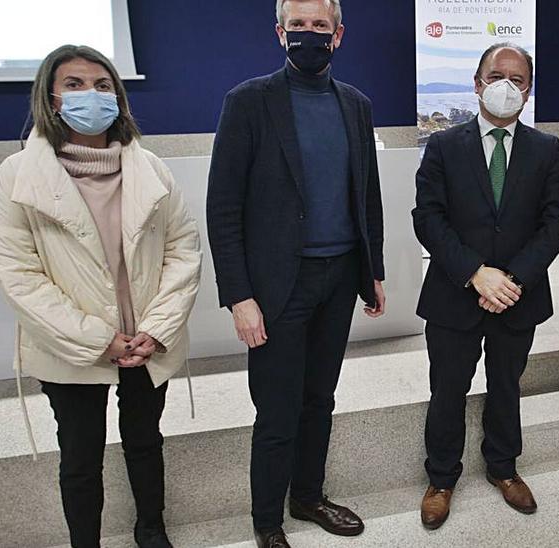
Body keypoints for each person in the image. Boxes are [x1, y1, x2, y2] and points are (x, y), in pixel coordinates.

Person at [0, 45, 202, 548]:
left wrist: (157, 328)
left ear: (119, 98)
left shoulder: (151, 167)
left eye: (103, 86)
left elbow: (183, 249)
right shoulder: (17, 174)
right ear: (51, 97)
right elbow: (16, 272)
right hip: (72, 345)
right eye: (75, 84)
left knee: (145, 442)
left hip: (148, 339)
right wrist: (97, 338)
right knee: (80, 456)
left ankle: (152, 528)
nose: (92, 95)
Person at [206, 1, 386, 546]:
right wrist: (239, 296)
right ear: (281, 33)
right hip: (278, 286)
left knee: (320, 399)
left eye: (321, 26)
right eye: (299, 26)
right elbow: (224, 207)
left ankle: (308, 496)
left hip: (339, 278)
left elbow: (366, 194)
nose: (310, 34)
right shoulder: (248, 102)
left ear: (339, 35)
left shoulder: (355, 105)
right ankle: (267, 523)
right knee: (278, 410)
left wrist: (371, 269)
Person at [413, 43, 559, 530]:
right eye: (495, 75)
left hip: (518, 298)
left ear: (528, 90)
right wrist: (475, 272)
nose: (506, 85)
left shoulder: (547, 150)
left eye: (517, 79)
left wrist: (513, 279)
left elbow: (557, 223)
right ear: (478, 82)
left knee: (506, 384)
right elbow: (428, 218)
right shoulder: (442, 146)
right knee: (448, 388)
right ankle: (441, 477)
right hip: (453, 292)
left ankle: (504, 468)